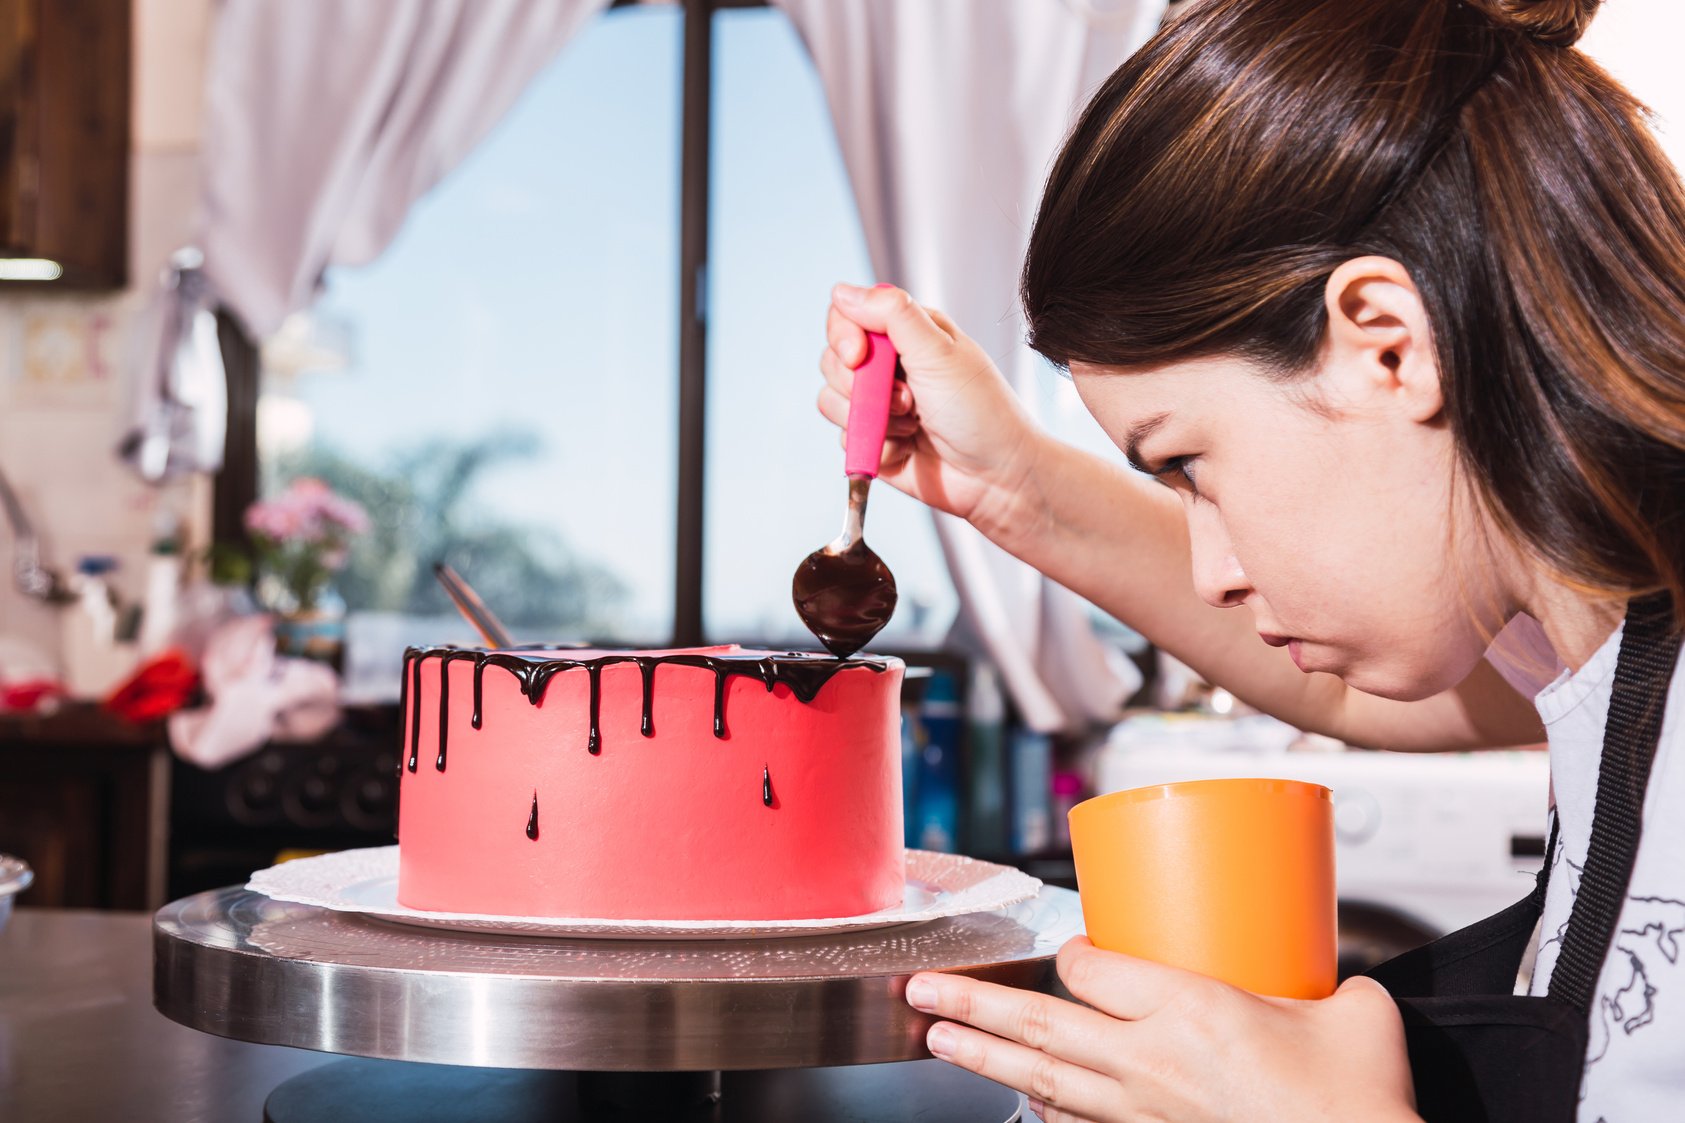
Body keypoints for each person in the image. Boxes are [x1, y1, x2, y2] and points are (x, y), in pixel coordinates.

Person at [816, 0, 1685, 1119]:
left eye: (1187, 463)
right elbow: (1360, 684)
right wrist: (1012, 489)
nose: (1211, 570)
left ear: (1385, 342)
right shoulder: (1611, 655)